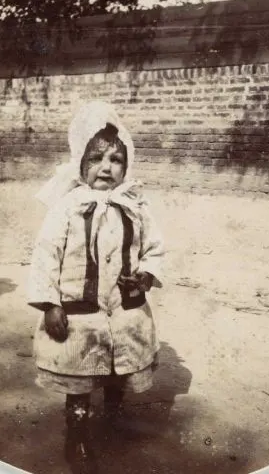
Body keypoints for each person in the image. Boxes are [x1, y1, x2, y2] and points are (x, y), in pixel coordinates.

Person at [27, 101, 166, 474]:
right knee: (80, 372)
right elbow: (46, 255)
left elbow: (153, 246)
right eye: (97, 158)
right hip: (79, 311)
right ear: (80, 161)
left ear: (127, 164)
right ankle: (78, 432)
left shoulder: (135, 205)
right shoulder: (66, 207)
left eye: (116, 159)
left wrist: (147, 273)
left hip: (125, 307)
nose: (107, 168)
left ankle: (114, 416)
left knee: (120, 363)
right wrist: (49, 304)